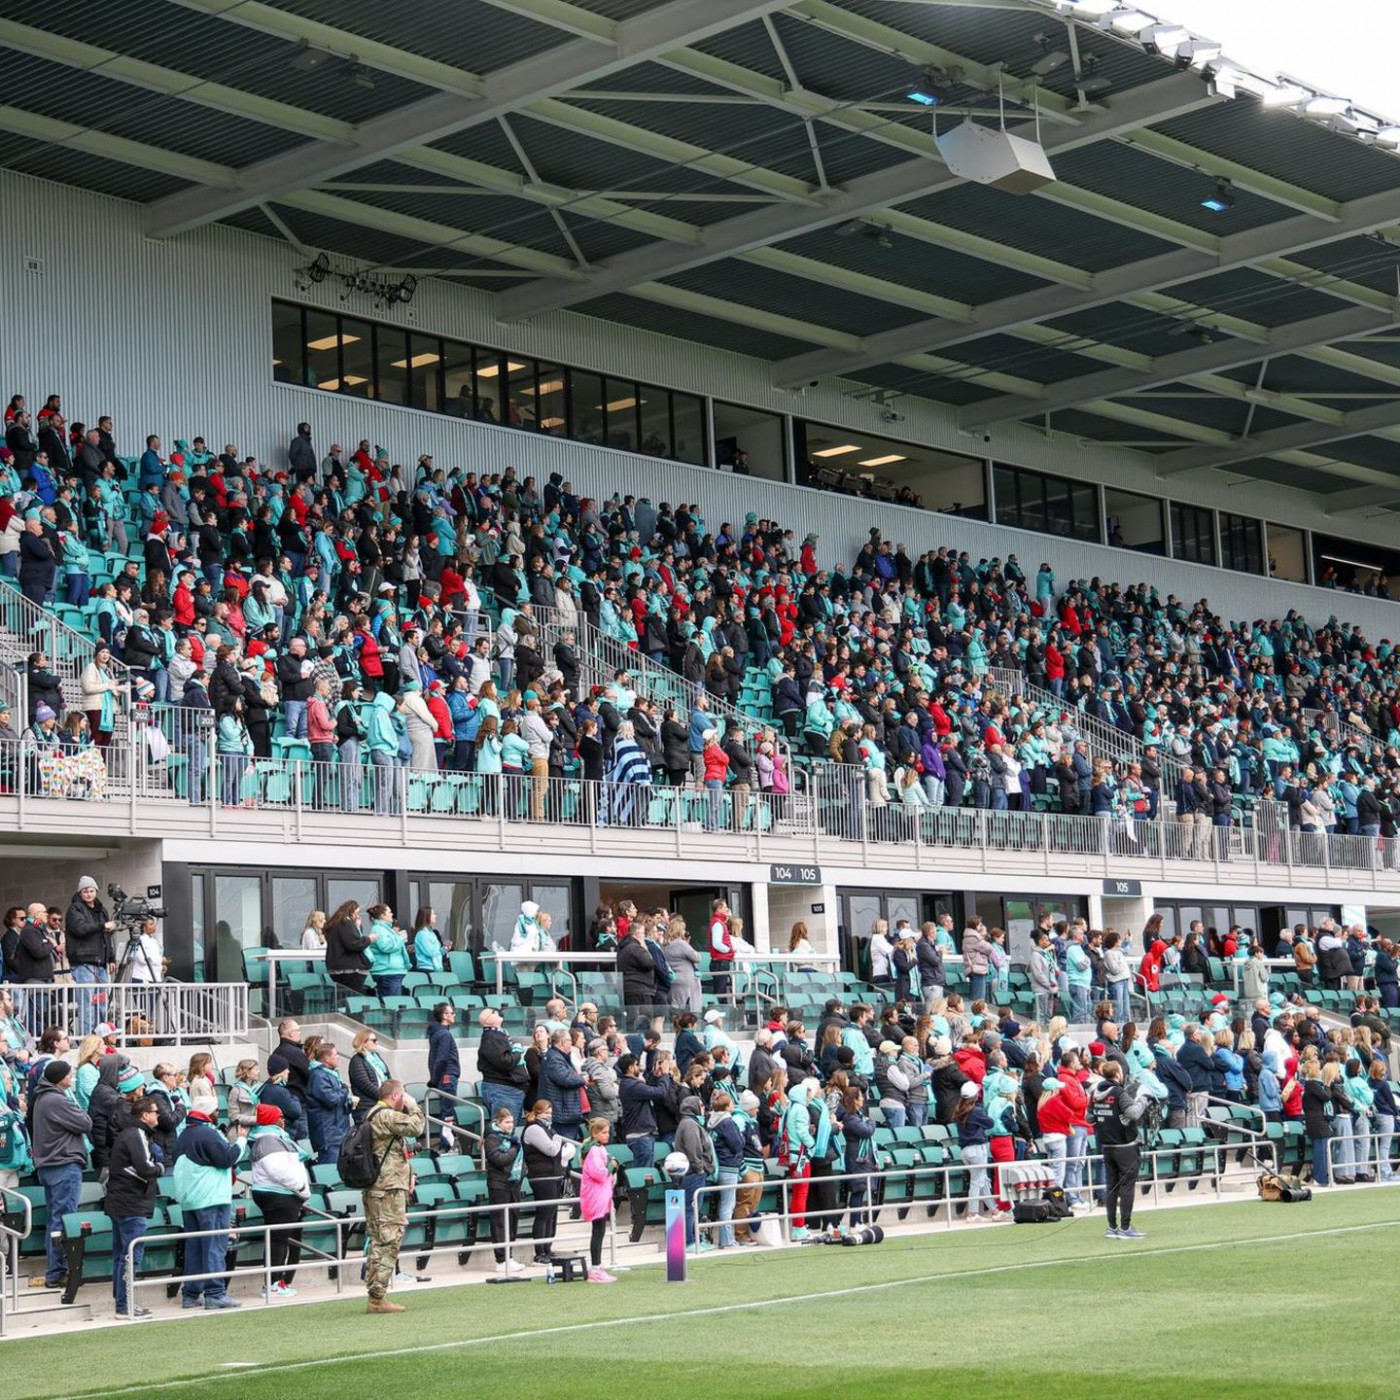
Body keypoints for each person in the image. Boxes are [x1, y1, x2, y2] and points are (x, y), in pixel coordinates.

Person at [172, 1097, 243, 1309]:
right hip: (211, 1197)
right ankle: (215, 1293)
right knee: (214, 1245)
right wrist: (241, 1140)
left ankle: (191, 1294)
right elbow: (227, 1158)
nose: (218, 1114)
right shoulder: (208, 1134)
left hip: (189, 1199)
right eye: (216, 1110)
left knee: (195, 1247)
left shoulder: (184, 1135)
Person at [363, 1079, 426, 1313]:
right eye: (403, 1096)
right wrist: (414, 1104)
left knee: (380, 1240)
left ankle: (375, 1294)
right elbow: (417, 1127)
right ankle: (377, 1297)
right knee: (390, 1239)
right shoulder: (385, 1114)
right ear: (395, 1096)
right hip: (387, 1188)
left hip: (382, 1185)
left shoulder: (374, 1114)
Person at [31, 1059, 92, 1291]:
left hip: (50, 1165)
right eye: (69, 1074)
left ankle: (56, 1270)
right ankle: (57, 1272)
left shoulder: (42, 1098)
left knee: (55, 1220)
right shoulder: (56, 1099)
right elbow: (85, 1122)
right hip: (62, 1165)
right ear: (60, 1078)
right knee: (64, 1221)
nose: (71, 1077)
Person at [106, 1093, 163, 1318]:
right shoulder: (136, 1134)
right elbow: (145, 1168)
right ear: (144, 1115)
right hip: (130, 1202)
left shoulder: (131, 1133)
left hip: (123, 1201)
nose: (159, 1115)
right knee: (131, 1255)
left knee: (123, 1254)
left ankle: (122, 1302)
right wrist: (159, 1167)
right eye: (155, 1111)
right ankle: (124, 1305)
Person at [1091, 1060, 1146, 1239]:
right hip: (1125, 1146)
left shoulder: (1095, 1092)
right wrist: (1143, 1100)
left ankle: (1112, 1227)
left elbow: (1089, 1116)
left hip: (1106, 1146)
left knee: (1111, 1186)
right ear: (1117, 1074)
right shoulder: (1118, 1091)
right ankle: (1125, 1227)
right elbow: (1133, 1113)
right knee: (1127, 1186)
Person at [522, 1098, 575, 1265]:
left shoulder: (548, 1129)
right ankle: (539, 1253)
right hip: (541, 1177)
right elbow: (551, 1149)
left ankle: (548, 1249)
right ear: (537, 1113)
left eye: (550, 1112)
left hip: (553, 1175)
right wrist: (559, 1139)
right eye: (546, 1112)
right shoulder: (534, 1129)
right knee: (544, 1214)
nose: (549, 1115)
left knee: (552, 1215)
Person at [484, 1105, 526, 1275]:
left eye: (512, 1122)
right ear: (499, 1122)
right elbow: (499, 1159)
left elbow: (521, 1161)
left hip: (513, 1183)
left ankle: (509, 1256)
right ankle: (501, 1259)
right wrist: (515, 1149)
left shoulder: (513, 1138)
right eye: (507, 1122)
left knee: (512, 1220)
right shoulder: (492, 1139)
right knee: (500, 1222)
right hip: (499, 1184)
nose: (510, 1125)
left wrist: (523, 1172)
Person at [674, 1093, 716, 1250]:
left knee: (693, 1208)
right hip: (693, 1173)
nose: (704, 1108)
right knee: (691, 1208)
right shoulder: (690, 1125)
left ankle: (693, 1239)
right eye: (701, 1105)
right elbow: (694, 1150)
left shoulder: (690, 1123)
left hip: (694, 1172)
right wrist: (700, 1169)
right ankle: (689, 1241)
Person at [580, 1116, 619, 1282]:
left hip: (600, 1192)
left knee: (600, 1231)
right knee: (598, 1231)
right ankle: (595, 1269)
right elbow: (599, 1172)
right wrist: (612, 1166)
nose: (607, 1135)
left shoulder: (597, 1149)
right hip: (596, 1194)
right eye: (603, 1132)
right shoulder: (594, 1150)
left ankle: (597, 1265)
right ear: (595, 1133)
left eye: (608, 1132)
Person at [306, 1042, 351, 1164]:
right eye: (335, 1054)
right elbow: (331, 1100)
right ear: (326, 1058)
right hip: (328, 1134)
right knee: (330, 1169)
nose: (338, 1057)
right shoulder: (318, 1076)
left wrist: (350, 1103)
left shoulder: (332, 1074)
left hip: (338, 1131)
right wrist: (345, 1090)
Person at [427, 1003, 462, 1150]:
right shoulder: (445, 1034)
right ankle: (446, 1145)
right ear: (444, 1016)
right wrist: (434, 1080)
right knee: (448, 1112)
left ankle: (446, 1144)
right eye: (451, 1013)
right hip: (447, 1076)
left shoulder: (437, 1033)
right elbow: (441, 1059)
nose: (454, 1015)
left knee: (446, 1110)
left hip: (443, 1076)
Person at [349, 1029, 390, 1123]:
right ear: (363, 1043)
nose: (376, 1043)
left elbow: (387, 1077)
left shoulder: (377, 1057)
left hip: (380, 1105)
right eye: (373, 1040)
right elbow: (365, 1084)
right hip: (366, 1108)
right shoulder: (357, 1060)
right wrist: (385, 1096)